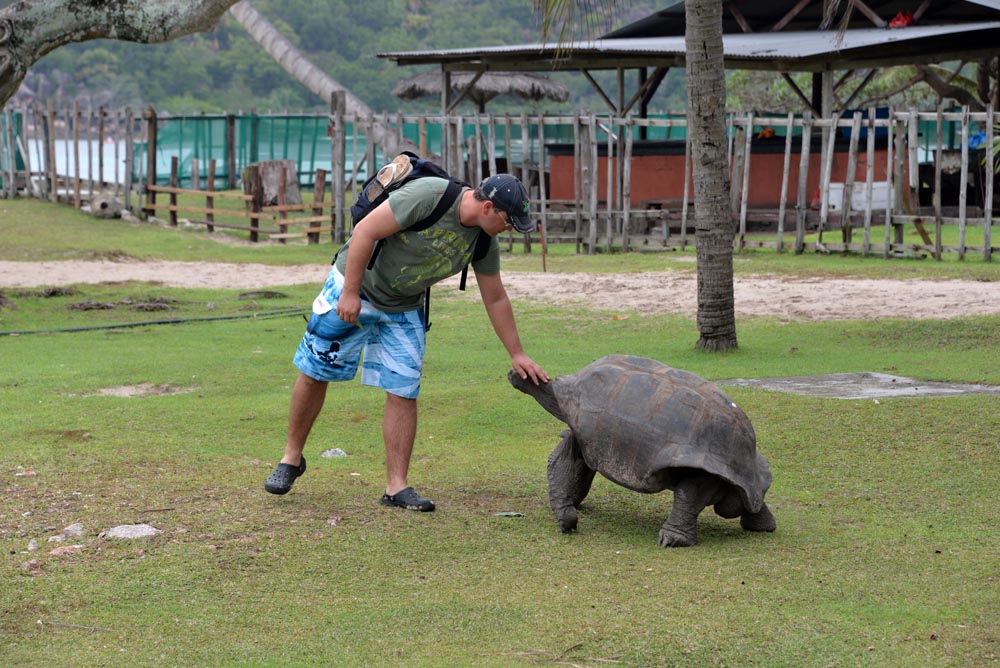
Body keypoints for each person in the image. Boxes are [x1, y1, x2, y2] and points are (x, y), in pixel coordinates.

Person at [264, 172, 549, 511]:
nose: (510, 229)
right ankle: (291, 459)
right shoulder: (429, 195)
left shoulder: (484, 241)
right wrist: (351, 292)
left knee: (404, 389)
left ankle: (396, 486)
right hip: (356, 286)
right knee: (316, 371)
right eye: (508, 221)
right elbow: (365, 230)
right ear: (488, 207)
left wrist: (517, 352)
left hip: (404, 305)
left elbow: (496, 297)